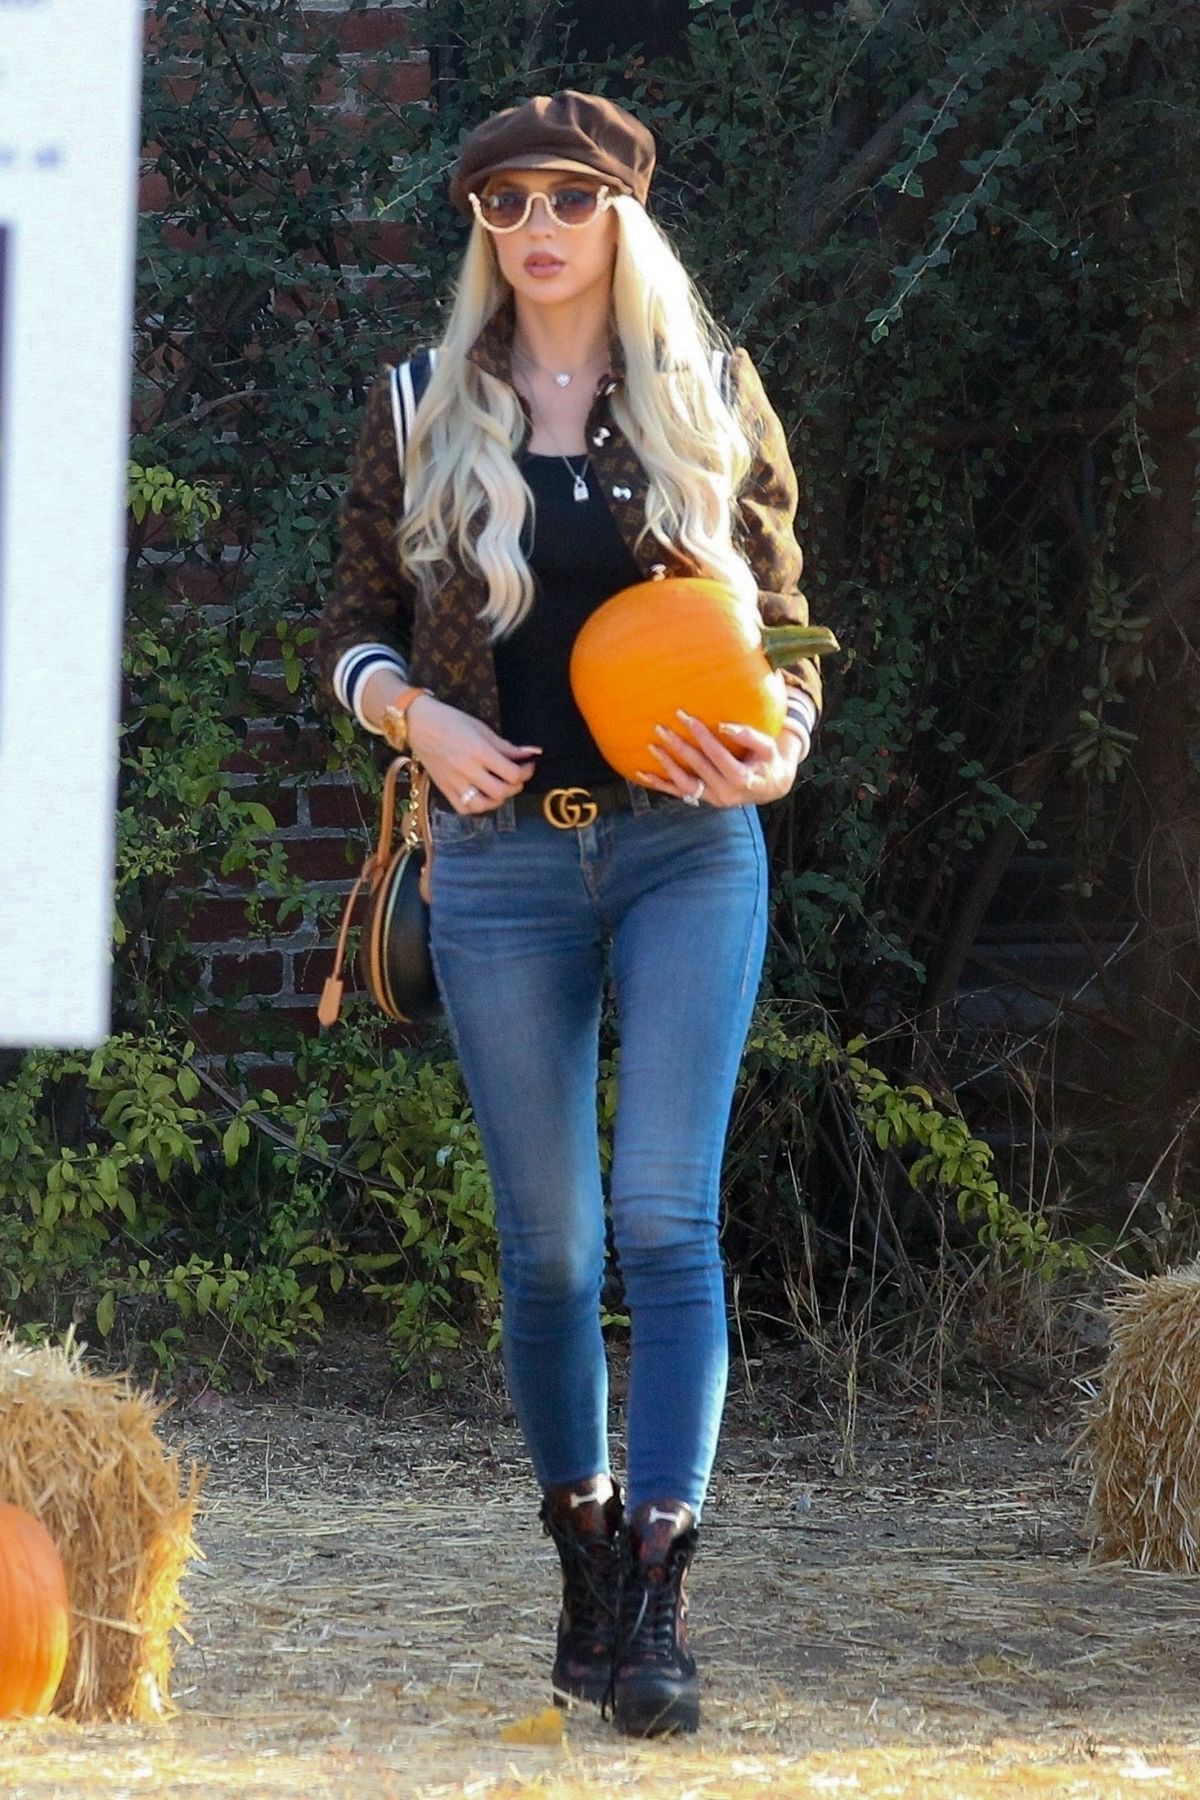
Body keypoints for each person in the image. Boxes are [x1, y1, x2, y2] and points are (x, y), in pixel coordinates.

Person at [314, 90, 822, 1737]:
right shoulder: (418, 404)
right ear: (479, 225)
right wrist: (418, 717)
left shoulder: (710, 395)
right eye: (505, 203)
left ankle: (662, 1581)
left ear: (623, 218)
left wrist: (778, 757)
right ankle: (583, 1549)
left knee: (665, 1222)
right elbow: (343, 631)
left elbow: (793, 629)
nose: (536, 228)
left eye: (570, 199)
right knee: (548, 1249)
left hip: (687, 849)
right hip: (504, 863)